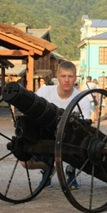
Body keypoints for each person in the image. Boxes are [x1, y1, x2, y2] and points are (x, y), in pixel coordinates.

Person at [21, 61, 90, 189]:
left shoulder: (82, 99)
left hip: (69, 142)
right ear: (57, 77)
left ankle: (71, 171)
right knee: (25, 162)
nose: (67, 80)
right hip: (45, 135)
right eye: (63, 76)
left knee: (78, 140)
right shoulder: (45, 92)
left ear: (75, 78)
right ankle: (47, 168)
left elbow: (85, 129)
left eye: (70, 76)